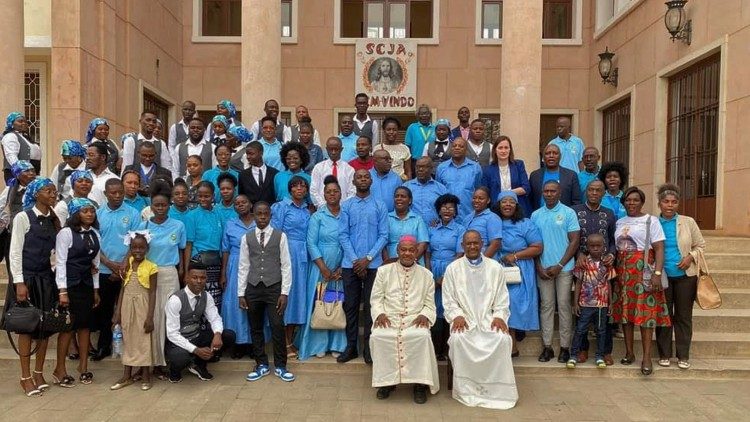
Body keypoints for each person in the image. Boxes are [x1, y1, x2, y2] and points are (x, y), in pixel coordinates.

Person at [442, 230, 518, 410]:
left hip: (488, 319)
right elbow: (448, 299)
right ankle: (467, 390)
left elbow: (502, 298)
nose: (472, 246)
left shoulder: (495, 267)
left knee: (502, 339)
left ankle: (497, 391)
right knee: (459, 339)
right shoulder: (453, 268)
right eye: (468, 243)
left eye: (476, 243)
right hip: (464, 320)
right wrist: (456, 316)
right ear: (462, 246)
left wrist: (499, 317)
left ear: (482, 244)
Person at [5, 178, 59, 397]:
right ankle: (25, 376)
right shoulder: (23, 217)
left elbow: (55, 253)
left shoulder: (53, 220)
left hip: (45, 279)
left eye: (55, 191)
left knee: (44, 328)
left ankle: (38, 373)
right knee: (26, 328)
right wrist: (19, 282)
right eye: (48, 191)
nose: (53, 194)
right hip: (26, 279)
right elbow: (15, 251)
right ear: (37, 194)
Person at [370, 236, 439, 404]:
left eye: (411, 250)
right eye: (403, 250)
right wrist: (379, 314)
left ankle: (419, 384)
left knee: (421, 336)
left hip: (414, 318)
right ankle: (387, 382)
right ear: (398, 251)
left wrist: (425, 315)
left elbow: (430, 304)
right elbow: (376, 298)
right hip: (389, 317)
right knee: (379, 336)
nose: (407, 253)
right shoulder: (383, 272)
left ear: (417, 252)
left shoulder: (426, 275)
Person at [612, 186, 670, 376]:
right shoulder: (620, 221)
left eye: (635, 200)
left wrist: (658, 273)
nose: (631, 203)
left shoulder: (650, 221)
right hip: (623, 272)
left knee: (646, 316)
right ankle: (629, 353)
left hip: (644, 272)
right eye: (628, 200)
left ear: (642, 202)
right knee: (626, 314)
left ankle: (646, 357)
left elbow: (659, 248)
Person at [238, 201, 296, 382]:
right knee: (255, 327)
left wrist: (284, 292)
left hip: (274, 288)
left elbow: (286, 265)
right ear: (253, 215)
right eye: (259, 214)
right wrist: (241, 293)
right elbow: (243, 266)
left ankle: (280, 365)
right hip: (253, 288)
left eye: (265, 214)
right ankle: (261, 364)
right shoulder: (246, 238)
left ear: (271, 216)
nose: (262, 217)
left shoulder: (280, 236)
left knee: (277, 325)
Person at [337, 169, 389, 364]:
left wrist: (367, 258)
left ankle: (369, 349)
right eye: (359, 177)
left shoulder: (379, 205)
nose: (363, 179)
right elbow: (342, 234)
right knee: (350, 306)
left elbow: (384, 235)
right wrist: (355, 260)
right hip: (350, 265)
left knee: (370, 307)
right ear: (353, 181)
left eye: (366, 177)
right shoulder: (347, 206)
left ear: (371, 180)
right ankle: (351, 347)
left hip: (373, 264)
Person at [655, 183, 705, 370]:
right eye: (666, 202)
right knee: (664, 315)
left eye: (674, 202)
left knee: (683, 316)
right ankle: (664, 354)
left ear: (678, 204)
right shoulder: (653, 223)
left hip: (686, 276)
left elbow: (700, 245)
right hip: (662, 277)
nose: (670, 205)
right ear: (659, 203)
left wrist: (690, 257)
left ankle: (683, 355)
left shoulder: (688, 222)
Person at [296, 176, 347, 360]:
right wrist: (323, 267)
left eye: (335, 191)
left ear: (341, 193)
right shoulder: (317, 216)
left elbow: (350, 241)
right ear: (323, 195)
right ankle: (319, 344)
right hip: (320, 267)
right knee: (319, 302)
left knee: (336, 303)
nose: (332, 194)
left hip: (341, 267)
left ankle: (337, 344)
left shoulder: (346, 214)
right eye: (328, 191)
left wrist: (343, 266)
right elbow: (311, 243)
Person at [91, 178, 141, 362]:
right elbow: (95, 243)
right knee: (105, 311)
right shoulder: (98, 214)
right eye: (113, 193)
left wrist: (123, 265)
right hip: (104, 271)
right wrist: (110, 265)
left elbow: (136, 241)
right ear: (106, 194)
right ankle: (104, 346)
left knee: (129, 309)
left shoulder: (133, 213)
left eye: (120, 192)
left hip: (127, 269)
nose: (118, 195)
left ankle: (130, 347)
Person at [139, 182, 186, 377]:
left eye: (164, 205)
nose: (160, 209)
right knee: (152, 318)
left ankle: (166, 362)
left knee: (169, 318)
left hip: (169, 275)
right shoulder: (144, 226)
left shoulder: (178, 225)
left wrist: (183, 270)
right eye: (156, 205)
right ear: (151, 205)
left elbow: (182, 250)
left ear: (170, 204)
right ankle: (151, 362)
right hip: (148, 274)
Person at [53, 198, 101, 387]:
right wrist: (62, 291)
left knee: (85, 325)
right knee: (68, 327)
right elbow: (61, 262)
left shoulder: (95, 233)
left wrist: (96, 289)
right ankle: (60, 369)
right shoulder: (66, 233)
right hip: (70, 285)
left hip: (87, 285)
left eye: (92, 211)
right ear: (76, 214)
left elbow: (95, 264)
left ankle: (83, 366)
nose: (90, 214)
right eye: (85, 211)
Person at [531, 180, 580, 363]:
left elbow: (574, 241)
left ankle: (565, 347)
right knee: (546, 306)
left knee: (564, 305)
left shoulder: (568, 213)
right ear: (542, 193)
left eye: (553, 191)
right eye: (546, 191)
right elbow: (533, 243)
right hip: (543, 269)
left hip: (564, 268)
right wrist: (538, 267)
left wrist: (560, 265)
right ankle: (547, 347)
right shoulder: (535, 215)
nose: (549, 194)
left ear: (559, 192)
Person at [165, 261, 236, 383]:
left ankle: (199, 364)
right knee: (180, 358)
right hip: (177, 342)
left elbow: (215, 318)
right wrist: (196, 350)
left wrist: (217, 335)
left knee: (228, 336)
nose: (199, 281)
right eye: (195, 277)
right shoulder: (176, 300)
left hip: (196, 336)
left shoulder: (206, 296)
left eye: (202, 278)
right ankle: (174, 370)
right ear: (187, 278)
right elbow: (172, 334)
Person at [571, 179, 617, 364]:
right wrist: (578, 254)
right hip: (583, 266)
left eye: (598, 190)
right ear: (586, 191)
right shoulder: (575, 212)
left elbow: (613, 240)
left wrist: (612, 255)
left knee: (604, 316)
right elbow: (571, 238)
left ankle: (605, 351)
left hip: (603, 268)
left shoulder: (609, 214)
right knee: (581, 314)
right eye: (591, 190)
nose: (594, 193)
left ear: (603, 193)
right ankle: (582, 349)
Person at [497, 191, 543, 356]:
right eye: (504, 201)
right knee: (499, 304)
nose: (507, 204)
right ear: (498, 204)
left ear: (516, 205)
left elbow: (537, 247)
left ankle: (513, 344)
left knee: (514, 304)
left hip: (519, 269)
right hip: (497, 269)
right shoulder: (493, 222)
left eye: (511, 201)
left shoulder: (525, 223)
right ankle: (506, 344)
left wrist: (515, 256)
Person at [110, 232, 158, 391]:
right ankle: (126, 375)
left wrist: (150, 316)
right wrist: (117, 312)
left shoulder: (152, 267)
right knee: (128, 337)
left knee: (143, 338)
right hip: (126, 305)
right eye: (134, 247)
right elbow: (123, 289)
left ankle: (145, 375)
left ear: (147, 248)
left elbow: (152, 292)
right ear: (130, 249)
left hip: (143, 305)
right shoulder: (127, 265)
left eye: (141, 247)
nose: (138, 250)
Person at [271, 176, 312, 357]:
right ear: (290, 189)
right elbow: (275, 233)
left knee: (297, 298)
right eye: (295, 186)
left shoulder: (307, 211)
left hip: (303, 256)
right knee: (285, 295)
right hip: (286, 253)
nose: (299, 189)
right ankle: (283, 343)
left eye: (303, 186)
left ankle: (291, 339)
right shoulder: (281, 207)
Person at [567, 234, 617, 369]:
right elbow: (578, 283)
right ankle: (573, 355)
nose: (595, 248)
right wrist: (576, 302)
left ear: (604, 247)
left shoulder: (607, 264)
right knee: (580, 330)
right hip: (585, 304)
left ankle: (600, 356)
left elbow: (609, 284)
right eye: (592, 246)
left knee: (601, 330)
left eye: (598, 246)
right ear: (587, 247)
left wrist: (611, 303)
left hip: (602, 305)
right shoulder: (583, 263)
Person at [427, 194, 465, 360]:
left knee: (449, 306)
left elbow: (459, 254)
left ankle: (448, 350)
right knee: (434, 307)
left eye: (451, 207)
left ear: (456, 211)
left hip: (452, 270)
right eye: (444, 207)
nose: (447, 210)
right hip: (433, 268)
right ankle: (435, 349)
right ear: (438, 210)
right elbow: (427, 253)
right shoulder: (432, 228)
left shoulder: (460, 229)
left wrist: (445, 277)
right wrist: (429, 275)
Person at [220, 195, 255, 358]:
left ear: (251, 204)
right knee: (235, 304)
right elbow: (225, 250)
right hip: (234, 265)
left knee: (254, 301)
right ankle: (238, 343)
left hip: (256, 265)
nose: (240, 205)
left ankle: (254, 343)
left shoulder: (260, 221)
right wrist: (223, 274)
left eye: (244, 202)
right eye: (237, 203)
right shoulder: (230, 224)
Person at [185, 182, 224, 311]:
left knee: (214, 302)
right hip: (199, 264)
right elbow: (189, 244)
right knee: (198, 301)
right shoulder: (192, 216)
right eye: (200, 196)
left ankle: (213, 330)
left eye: (206, 196)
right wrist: (186, 271)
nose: (202, 199)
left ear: (213, 196)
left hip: (215, 265)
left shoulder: (218, 214)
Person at [481, 135, 532, 217]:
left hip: (518, 209)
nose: (503, 151)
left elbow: (526, 188)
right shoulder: (487, 170)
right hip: (496, 211)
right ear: (495, 150)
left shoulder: (519, 165)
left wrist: (506, 194)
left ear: (510, 150)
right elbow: (485, 193)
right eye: (500, 148)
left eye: (506, 147)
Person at [435, 138, 482, 218]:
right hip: (447, 217)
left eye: (461, 146)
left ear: (466, 150)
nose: (457, 148)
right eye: (454, 146)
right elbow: (438, 192)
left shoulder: (475, 168)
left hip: (468, 215)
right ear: (451, 148)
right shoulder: (441, 168)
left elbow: (478, 191)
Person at [528, 144, 581, 211]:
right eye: (547, 153)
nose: (551, 156)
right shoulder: (534, 176)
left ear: (560, 156)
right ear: (543, 157)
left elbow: (576, 201)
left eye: (555, 153)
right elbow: (530, 200)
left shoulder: (571, 175)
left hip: (564, 218)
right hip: (540, 218)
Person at [384, 187, 429, 264]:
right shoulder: (386, 218)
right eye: (396, 196)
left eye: (403, 196)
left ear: (410, 201)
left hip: (414, 262)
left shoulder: (417, 219)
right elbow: (382, 243)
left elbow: (423, 243)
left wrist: (411, 261)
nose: (399, 198)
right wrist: (388, 262)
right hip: (391, 262)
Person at [310, 137, 356, 208]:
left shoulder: (349, 170)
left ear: (341, 149)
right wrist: (323, 207)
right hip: (323, 210)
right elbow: (314, 190)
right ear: (326, 149)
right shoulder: (318, 168)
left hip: (344, 210)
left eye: (336, 149)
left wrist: (342, 207)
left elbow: (352, 192)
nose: (333, 152)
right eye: (331, 149)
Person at [403, 157, 447, 226]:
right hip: (411, 229)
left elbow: (447, 209)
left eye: (424, 167)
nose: (420, 169)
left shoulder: (441, 189)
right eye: (418, 167)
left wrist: (440, 221)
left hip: (434, 230)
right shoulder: (406, 187)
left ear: (431, 169)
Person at [461, 187, 503, 259]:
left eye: (481, 198)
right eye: (474, 198)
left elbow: (495, 244)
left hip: (485, 263)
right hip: (468, 262)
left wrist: (481, 262)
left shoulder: (492, 218)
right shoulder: (467, 218)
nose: (476, 201)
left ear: (488, 200)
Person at [2, 112, 42, 182]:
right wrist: (20, 170)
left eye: (25, 122)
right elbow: (11, 155)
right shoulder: (10, 136)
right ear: (11, 124)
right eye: (20, 121)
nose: (24, 123)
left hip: (31, 172)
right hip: (20, 174)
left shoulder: (25, 137)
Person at [238, 141, 279, 205]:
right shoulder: (243, 175)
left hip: (271, 212)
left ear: (261, 153)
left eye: (251, 154)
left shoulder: (275, 173)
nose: (248, 157)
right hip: (252, 213)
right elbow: (242, 195)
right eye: (247, 154)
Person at [85, 142, 119, 207]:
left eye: (91, 155)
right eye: (87, 155)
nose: (87, 158)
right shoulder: (82, 177)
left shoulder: (114, 180)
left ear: (103, 157)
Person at [405, 105, 435, 171]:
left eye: (426, 113)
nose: (424, 116)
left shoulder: (435, 128)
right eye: (422, 114)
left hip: (431, 162)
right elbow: (407, 147)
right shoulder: (412, 127)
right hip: (415, 162)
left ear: (430, 115)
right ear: (418, 116)